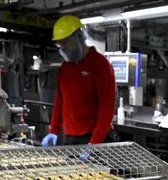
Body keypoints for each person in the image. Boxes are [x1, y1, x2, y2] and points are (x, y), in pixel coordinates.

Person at [42, 15, 116, 146]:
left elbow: (107, 109)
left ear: (78, 37)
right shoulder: (66, 67)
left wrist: (94, 144)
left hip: (96, 138)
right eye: (59, 44)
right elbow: (60, 101)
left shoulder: (100, 65)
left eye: (65, 42)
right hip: (70, 138)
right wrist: (53, 130)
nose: (62, 48)